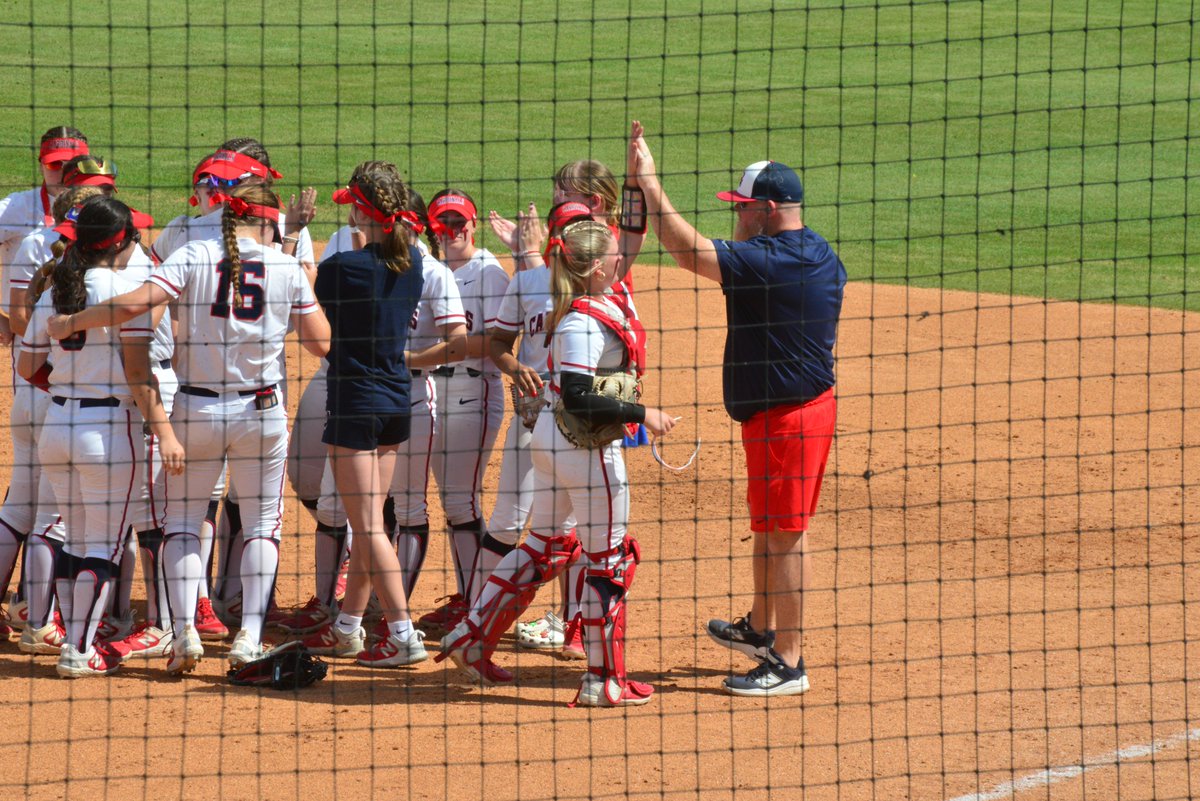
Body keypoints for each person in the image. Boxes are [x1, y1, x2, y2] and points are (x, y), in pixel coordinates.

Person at [47, 182, 330, 675]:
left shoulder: (194, 253)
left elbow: (132, 305)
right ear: (269, 221)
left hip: (195, 412)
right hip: (261, 413)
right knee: (264, 524)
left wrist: (73, 323)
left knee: (181, 525)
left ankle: (184, 636)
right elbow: (322, 343)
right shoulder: (285, 266)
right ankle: (249, 638)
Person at [632, 125, 846, 696]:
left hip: (791, 418)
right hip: (785, 414)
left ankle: (790, 662)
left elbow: (684, 250)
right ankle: (760, 629)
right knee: (768, 528)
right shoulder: (818, 251)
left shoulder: (770, 262)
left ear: (767, 210)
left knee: (786, 535)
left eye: (743, 207)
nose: (737, 216)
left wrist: (650, 187)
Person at [440, 220, 676, 705]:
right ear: (593, 267)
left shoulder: (589, 306)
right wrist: (643, 414)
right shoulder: (579, 321)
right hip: (582, 448)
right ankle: (604, 679)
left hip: (552, 440)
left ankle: (471, 636)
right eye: (612, 255)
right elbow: (578, 395)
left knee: (547, 545)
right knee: (610, 560)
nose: (619, 261)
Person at [18, 197, 183, 678]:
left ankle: (73, 639)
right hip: (110, 433)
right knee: (105, 546)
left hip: (57, 427)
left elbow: (29, 366)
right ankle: (79, 650)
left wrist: (72, 387)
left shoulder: (56, 288)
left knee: (77, 539)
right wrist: (164, 431)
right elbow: (137, 372)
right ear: (123, 240)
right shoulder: (127, 287)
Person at [311, 162, 429, 667]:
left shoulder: (343, 268)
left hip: (355, 406)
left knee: (368, 527)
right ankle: (348, 627)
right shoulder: (415, 262)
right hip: (396, 404)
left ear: (363, 210)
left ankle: (404, 635)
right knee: (370, 521)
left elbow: (314, 319)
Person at [0, 126, 89, 633]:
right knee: (55, 504)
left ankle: (29, 606)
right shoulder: (19, 213)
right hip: (52, 385)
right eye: (55, 164)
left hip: (37, 377)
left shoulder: (39, 239)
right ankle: (40, 613)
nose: (62, 172)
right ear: (41, 164)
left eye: (71, 165)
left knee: (26, 496)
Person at [415, 188, 510, 633]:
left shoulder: (488, 273)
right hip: (433, 392)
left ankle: (477, 604)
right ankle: (469, 595)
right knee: (439, 501)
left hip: (474, 392)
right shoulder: (428, 270)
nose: (452, 232)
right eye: (443, 225)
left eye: (460, 224)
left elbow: (496, 343)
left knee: (460, 499)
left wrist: (428, 354)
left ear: (474, 225)